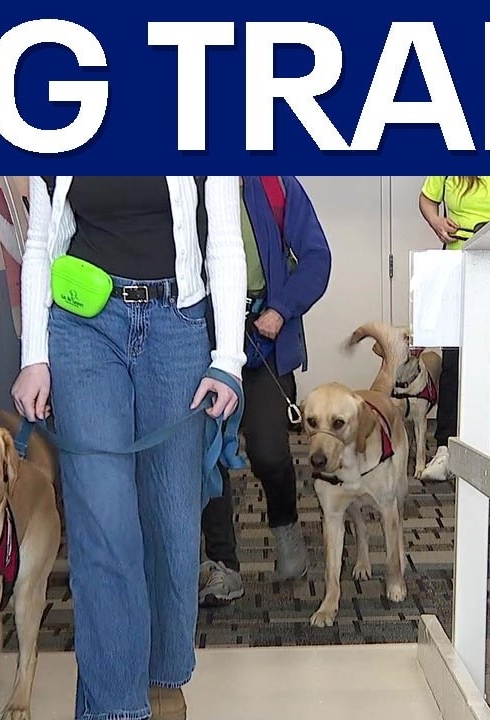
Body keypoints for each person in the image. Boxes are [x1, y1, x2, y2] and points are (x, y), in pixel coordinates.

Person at [10, 176, 245, 720]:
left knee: (171, 523)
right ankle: (116, 707)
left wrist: (228, 359)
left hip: (177, 324)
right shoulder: (61, 113)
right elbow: (41, 240)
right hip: (84, 326)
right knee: (104, 523)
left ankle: (162, 678)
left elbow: (225, 240)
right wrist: (33, 355)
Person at [198, 176, 333, 605]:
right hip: (198, 338)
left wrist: (281, 308)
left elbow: (316, 256)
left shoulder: (274, 181)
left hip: (263, 339)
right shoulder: (180, 182)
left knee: (270, 450)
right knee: (207, 456)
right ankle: (224, 567)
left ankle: (286, 530)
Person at [416, 175, 490, 481]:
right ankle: (446, 447)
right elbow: (427, 199)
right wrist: (437, 223)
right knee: (454, 364)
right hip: (458, 271)